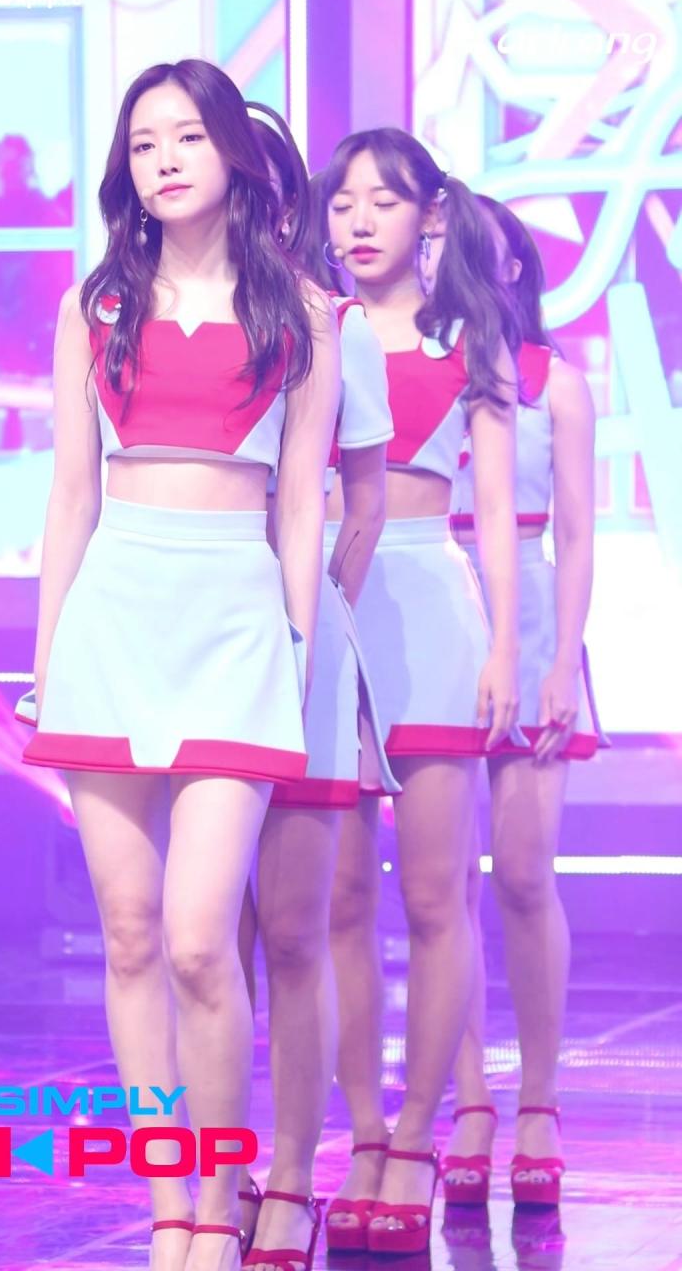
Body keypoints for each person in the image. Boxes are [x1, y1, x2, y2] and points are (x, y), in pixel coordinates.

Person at [15, 59, 339, 1271]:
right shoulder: (94, 303)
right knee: (131, 935)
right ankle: (174, 1201)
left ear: (232, 153)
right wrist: (49, 658)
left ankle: (224, 1184)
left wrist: (294, 647)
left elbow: (300, 500)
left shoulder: (302, 309)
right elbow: (71, 494)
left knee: (205, 936)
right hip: (115, 618)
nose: (162, 159)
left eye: (186, 136)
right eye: (143, 141)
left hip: (237, 622)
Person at [322, 128, 521, 1256]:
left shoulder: (468, 337)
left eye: (383, 201)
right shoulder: (312, 327)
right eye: (343, 201)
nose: (359, 221)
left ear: (429, 215)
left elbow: (494, 511)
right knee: (340, 899)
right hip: (331, 607)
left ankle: (416, 1134)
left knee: (438, 898)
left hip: (432, 612)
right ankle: (359, 1133)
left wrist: (504, 652)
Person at [234, 103, 398, 1271]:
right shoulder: (142, 312)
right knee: (194, 936)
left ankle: (292, 1179)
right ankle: (210, 1170)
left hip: (296, 650)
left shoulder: (335, 325)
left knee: (293, 929)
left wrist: (313, 620)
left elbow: (365, 499)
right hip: (179, 646)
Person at [443, 195, 604, 1207]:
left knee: (524, 874)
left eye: (474, 250)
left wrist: (561, 662)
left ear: (513, 269)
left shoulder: (556, 382)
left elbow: (578, 533)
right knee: (443, 887)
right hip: (434, 613)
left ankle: (538, 1099)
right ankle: (468, 1100)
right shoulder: (408, 369)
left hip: (536, 623)